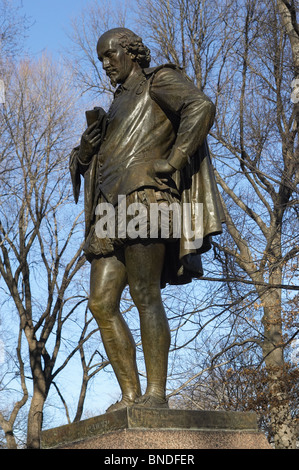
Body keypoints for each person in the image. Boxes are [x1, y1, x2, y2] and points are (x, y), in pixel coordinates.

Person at [70, 27, 224, 412]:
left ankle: (156, 393)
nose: (105, 64)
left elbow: (200, 106)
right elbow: (85, 163)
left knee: (144, 293)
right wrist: (87, 148)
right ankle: (130, 395)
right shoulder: (116, 104)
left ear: (132, 53)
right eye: (101, 58)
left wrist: (173, 161)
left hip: (146, 198)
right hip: (108, 209)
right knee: (101, 303)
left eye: (111, 55)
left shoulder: (159, 80)